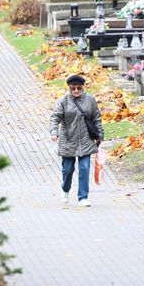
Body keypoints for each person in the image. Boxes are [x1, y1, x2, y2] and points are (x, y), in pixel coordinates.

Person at [49, 74, 103, 207]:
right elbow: (54, 117)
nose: (76, 91)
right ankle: (65, 188)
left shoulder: (90, 100)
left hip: (86, 139)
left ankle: (83, 197)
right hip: (68, 140)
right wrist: (54, 132)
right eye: (73, 89)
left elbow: (96, 117)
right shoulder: (64, 101)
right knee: (67, 170)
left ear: (82, 88)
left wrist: (100, 134)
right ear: (69, 88)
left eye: (79, 88)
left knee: (84, 168)